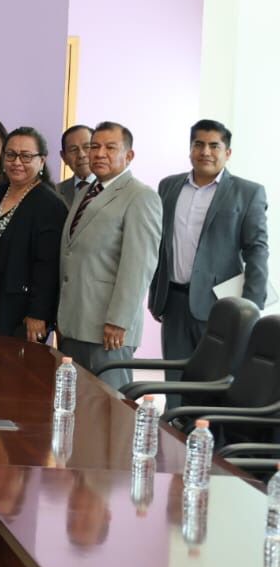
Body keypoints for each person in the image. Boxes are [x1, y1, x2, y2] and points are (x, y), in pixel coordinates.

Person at [148, 120, 269, 372]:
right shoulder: (168, 186)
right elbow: (159, 245)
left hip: (221, 306)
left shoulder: (248, 192)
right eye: (198, 144)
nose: (205, 152)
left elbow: (257, 251)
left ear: (228, 152)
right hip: (173, 303)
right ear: (190, 149)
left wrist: (251, 306)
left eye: (214, 146)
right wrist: (154, 295)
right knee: (175, 381)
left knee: (213, 381)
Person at [57, 122, 162, 388]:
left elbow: (138, 267)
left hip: (108, 328)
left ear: (129, 155)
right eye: (95, 146)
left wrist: (119, 321)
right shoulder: (86, 191)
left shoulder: (140, 196)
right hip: (75, 321)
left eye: (110, 147)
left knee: (109, 404)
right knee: (75, 401)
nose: (99, 153)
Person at [0, 127, 68, 340]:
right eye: (11, 155)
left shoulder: (50, 205)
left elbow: (48, 266)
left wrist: (38, 313)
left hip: (21, 313)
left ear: (42, 161)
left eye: (26, 156)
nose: (17, 162)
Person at [56, 124, 94, 206]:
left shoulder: (115, 189)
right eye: (73, 149)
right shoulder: (54, 193)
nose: (81, 155)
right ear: (63, 157)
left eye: (87, 147)